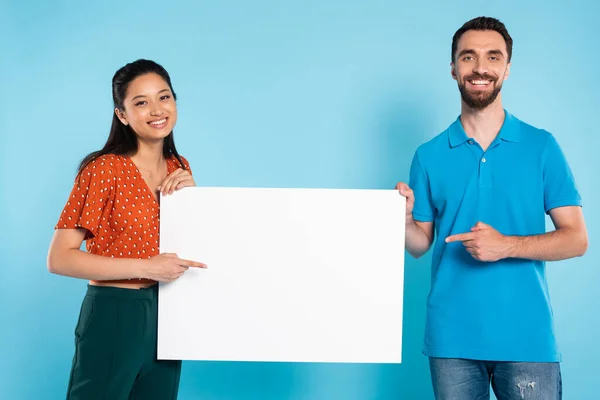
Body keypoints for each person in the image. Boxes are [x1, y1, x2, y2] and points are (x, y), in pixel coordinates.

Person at [396, 17, 588, 400]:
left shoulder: (541, 147)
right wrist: (401, 220)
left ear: (506, 69)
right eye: (468, 57)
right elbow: (421, 244)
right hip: (451, 340)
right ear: (453, 69)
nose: (480, 67)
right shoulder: (429, 155)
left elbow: (577, 239)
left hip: (526, 337)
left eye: (492, 57)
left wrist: (507, 246)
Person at [47, 59, 207, 400]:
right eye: (141, 102)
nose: (156, 110)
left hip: (170, 310)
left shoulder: (179, 167)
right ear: (122, 115)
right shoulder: (104, 169)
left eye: (164, 97)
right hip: (116, 310)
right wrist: (147, 266)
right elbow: (60, 258)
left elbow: (195, 249)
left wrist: (194, 200)